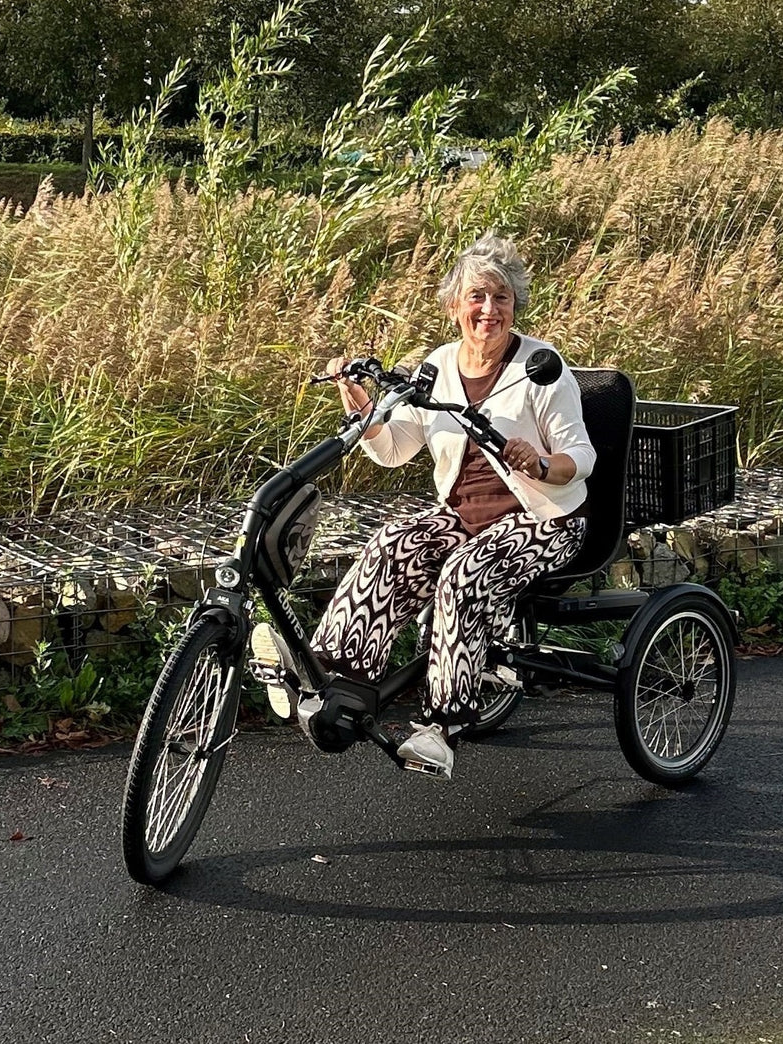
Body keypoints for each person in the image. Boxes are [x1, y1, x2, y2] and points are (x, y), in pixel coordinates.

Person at [251, 234, 593, 779]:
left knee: (462, 576)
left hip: (545, 520)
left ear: (515, 306)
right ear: (455, 305)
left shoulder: (541, 368)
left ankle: (443, 727)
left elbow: (581, 454)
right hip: (466, 518)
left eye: (501, 298)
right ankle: (338, 671)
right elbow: (393, 449)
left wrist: (542, 463)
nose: (489, 310)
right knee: (390, 544)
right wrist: (360, 402)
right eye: (477, 297)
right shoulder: (437, 366)